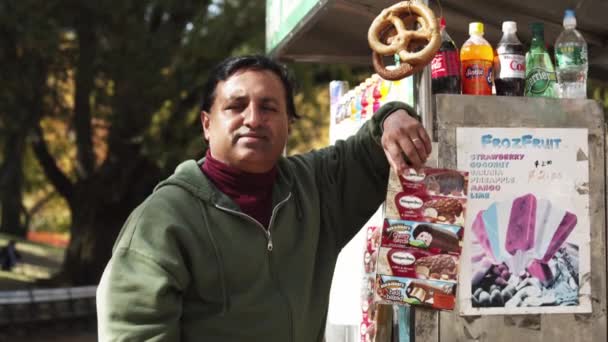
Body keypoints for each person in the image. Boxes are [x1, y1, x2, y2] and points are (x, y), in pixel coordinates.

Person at [96, 55, 431, 341]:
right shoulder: (162, 221)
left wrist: (394, 118)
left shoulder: (315, 187)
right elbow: (135, 330)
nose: (253, 119)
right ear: (207, 124)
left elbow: (371, 147)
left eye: (269, 107)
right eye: (236, 106)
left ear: (289, 124)